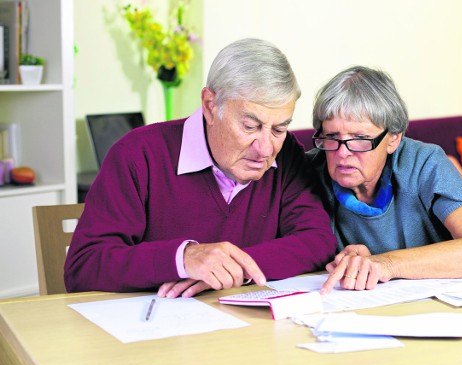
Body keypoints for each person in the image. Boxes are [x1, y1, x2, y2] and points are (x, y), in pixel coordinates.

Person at [64, 38, 337, 298]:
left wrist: (232, 267)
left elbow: (317, 240)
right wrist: (182, 259)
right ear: (210, 105)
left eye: (279, 128)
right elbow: (84, 265)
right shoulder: (138, 154)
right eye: (250, 126)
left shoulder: (288, 153)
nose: (266, 149)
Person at [306, 66, 462, 294]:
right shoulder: (310, 169)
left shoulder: (424, 163)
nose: (342, 153)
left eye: (360, 139)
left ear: (393, 139)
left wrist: (386, 263)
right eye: (331, 137)